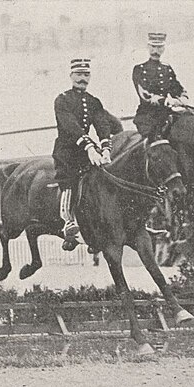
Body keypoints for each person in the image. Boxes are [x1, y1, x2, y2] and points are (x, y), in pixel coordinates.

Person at [52, 58, 114, 251]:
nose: (82, 78)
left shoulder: (94, 102)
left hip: (89, 149)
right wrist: (88, 147)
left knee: (105, 178)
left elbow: (102, 124)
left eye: (86, 75)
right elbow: (70, 126)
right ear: (71, 76)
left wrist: (105, 148)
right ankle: (68, 222)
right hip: (68, 150)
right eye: (78, 74)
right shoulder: (62, 99)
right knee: (69, 180)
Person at [131, 33, 189, 141]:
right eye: (153, 47)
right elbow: (145, 95)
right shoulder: (139, 69)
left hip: (166, 115)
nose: (156, 51)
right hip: (148, 117)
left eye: (159, 47)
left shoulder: (167, 69)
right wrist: (166, 100)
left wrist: (182, 99)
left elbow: (178, 89)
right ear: (148, 47)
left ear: (164, 48)